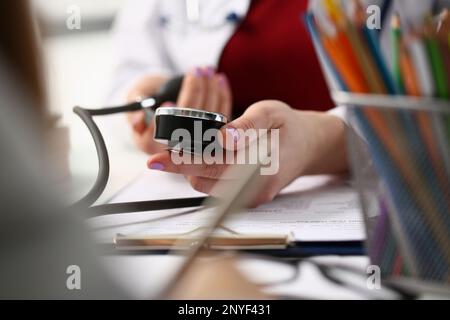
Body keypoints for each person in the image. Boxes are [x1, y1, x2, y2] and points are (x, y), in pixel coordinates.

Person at [109, 0, 443, 205]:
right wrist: (144, 99)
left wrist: (324, 140)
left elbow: (434, 113)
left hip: (385, 210)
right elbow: (126, 75)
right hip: (208, 215)